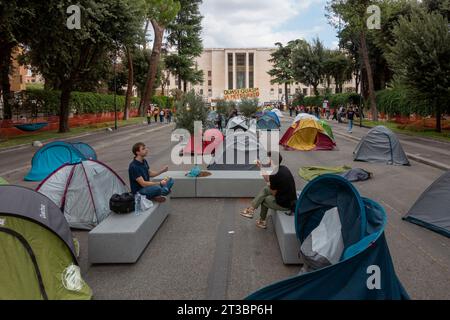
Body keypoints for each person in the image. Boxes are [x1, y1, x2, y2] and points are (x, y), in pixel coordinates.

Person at [240, 152, 297, 229]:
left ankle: (262, 221)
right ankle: (251, 209)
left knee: (265, 199)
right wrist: (260, 167)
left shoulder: (274, 174)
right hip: (291, 199)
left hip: (286, 204)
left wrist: (268, 184)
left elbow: (273, 192)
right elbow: (270, 181)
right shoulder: (283, 168)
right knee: (265, 189)